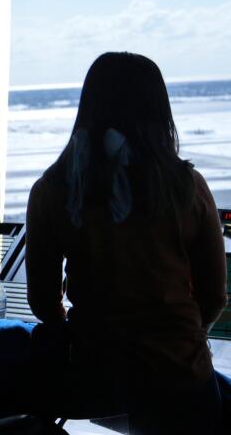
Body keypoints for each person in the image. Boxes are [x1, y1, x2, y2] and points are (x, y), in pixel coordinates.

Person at [25, 52, 228, 434]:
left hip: (98, 382)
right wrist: (178, 340)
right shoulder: (188, 188)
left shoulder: (52, 190)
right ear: (158, 111)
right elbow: (215, 295)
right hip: (181, 378)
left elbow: (42, 302)